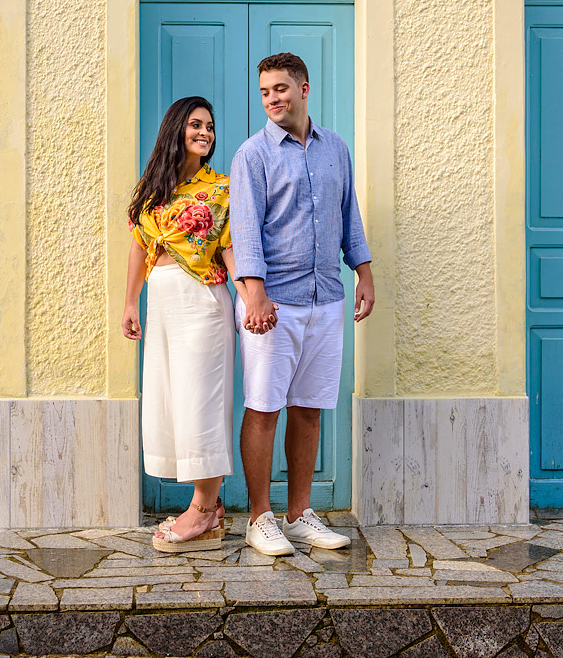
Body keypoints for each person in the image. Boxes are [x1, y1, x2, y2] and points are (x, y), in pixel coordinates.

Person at [229, 53, 374, 556]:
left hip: (326, 298)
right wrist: (256, 294)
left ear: (304, 88)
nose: (272, 99)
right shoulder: (252, 155)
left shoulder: (336, 148)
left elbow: (347, 212)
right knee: (264, 408)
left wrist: (363, 272)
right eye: (266, 91)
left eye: (281, 89)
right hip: (273, 303)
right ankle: (259, 518)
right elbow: (245, 231)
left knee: (309, 410)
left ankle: (299, 516)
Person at [122, 95, 254, 552]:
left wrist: (252, 298)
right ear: (176, 129)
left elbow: (234, 248)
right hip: (161, 302)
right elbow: (140, 246)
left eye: (210, 127)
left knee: (201, 402)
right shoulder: (153, 189)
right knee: (173, 401)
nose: (205, 133)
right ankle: (211, 509)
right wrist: (130, 303)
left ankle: (201, 509)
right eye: (196, 124)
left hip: (203, 304)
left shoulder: (221, 188)